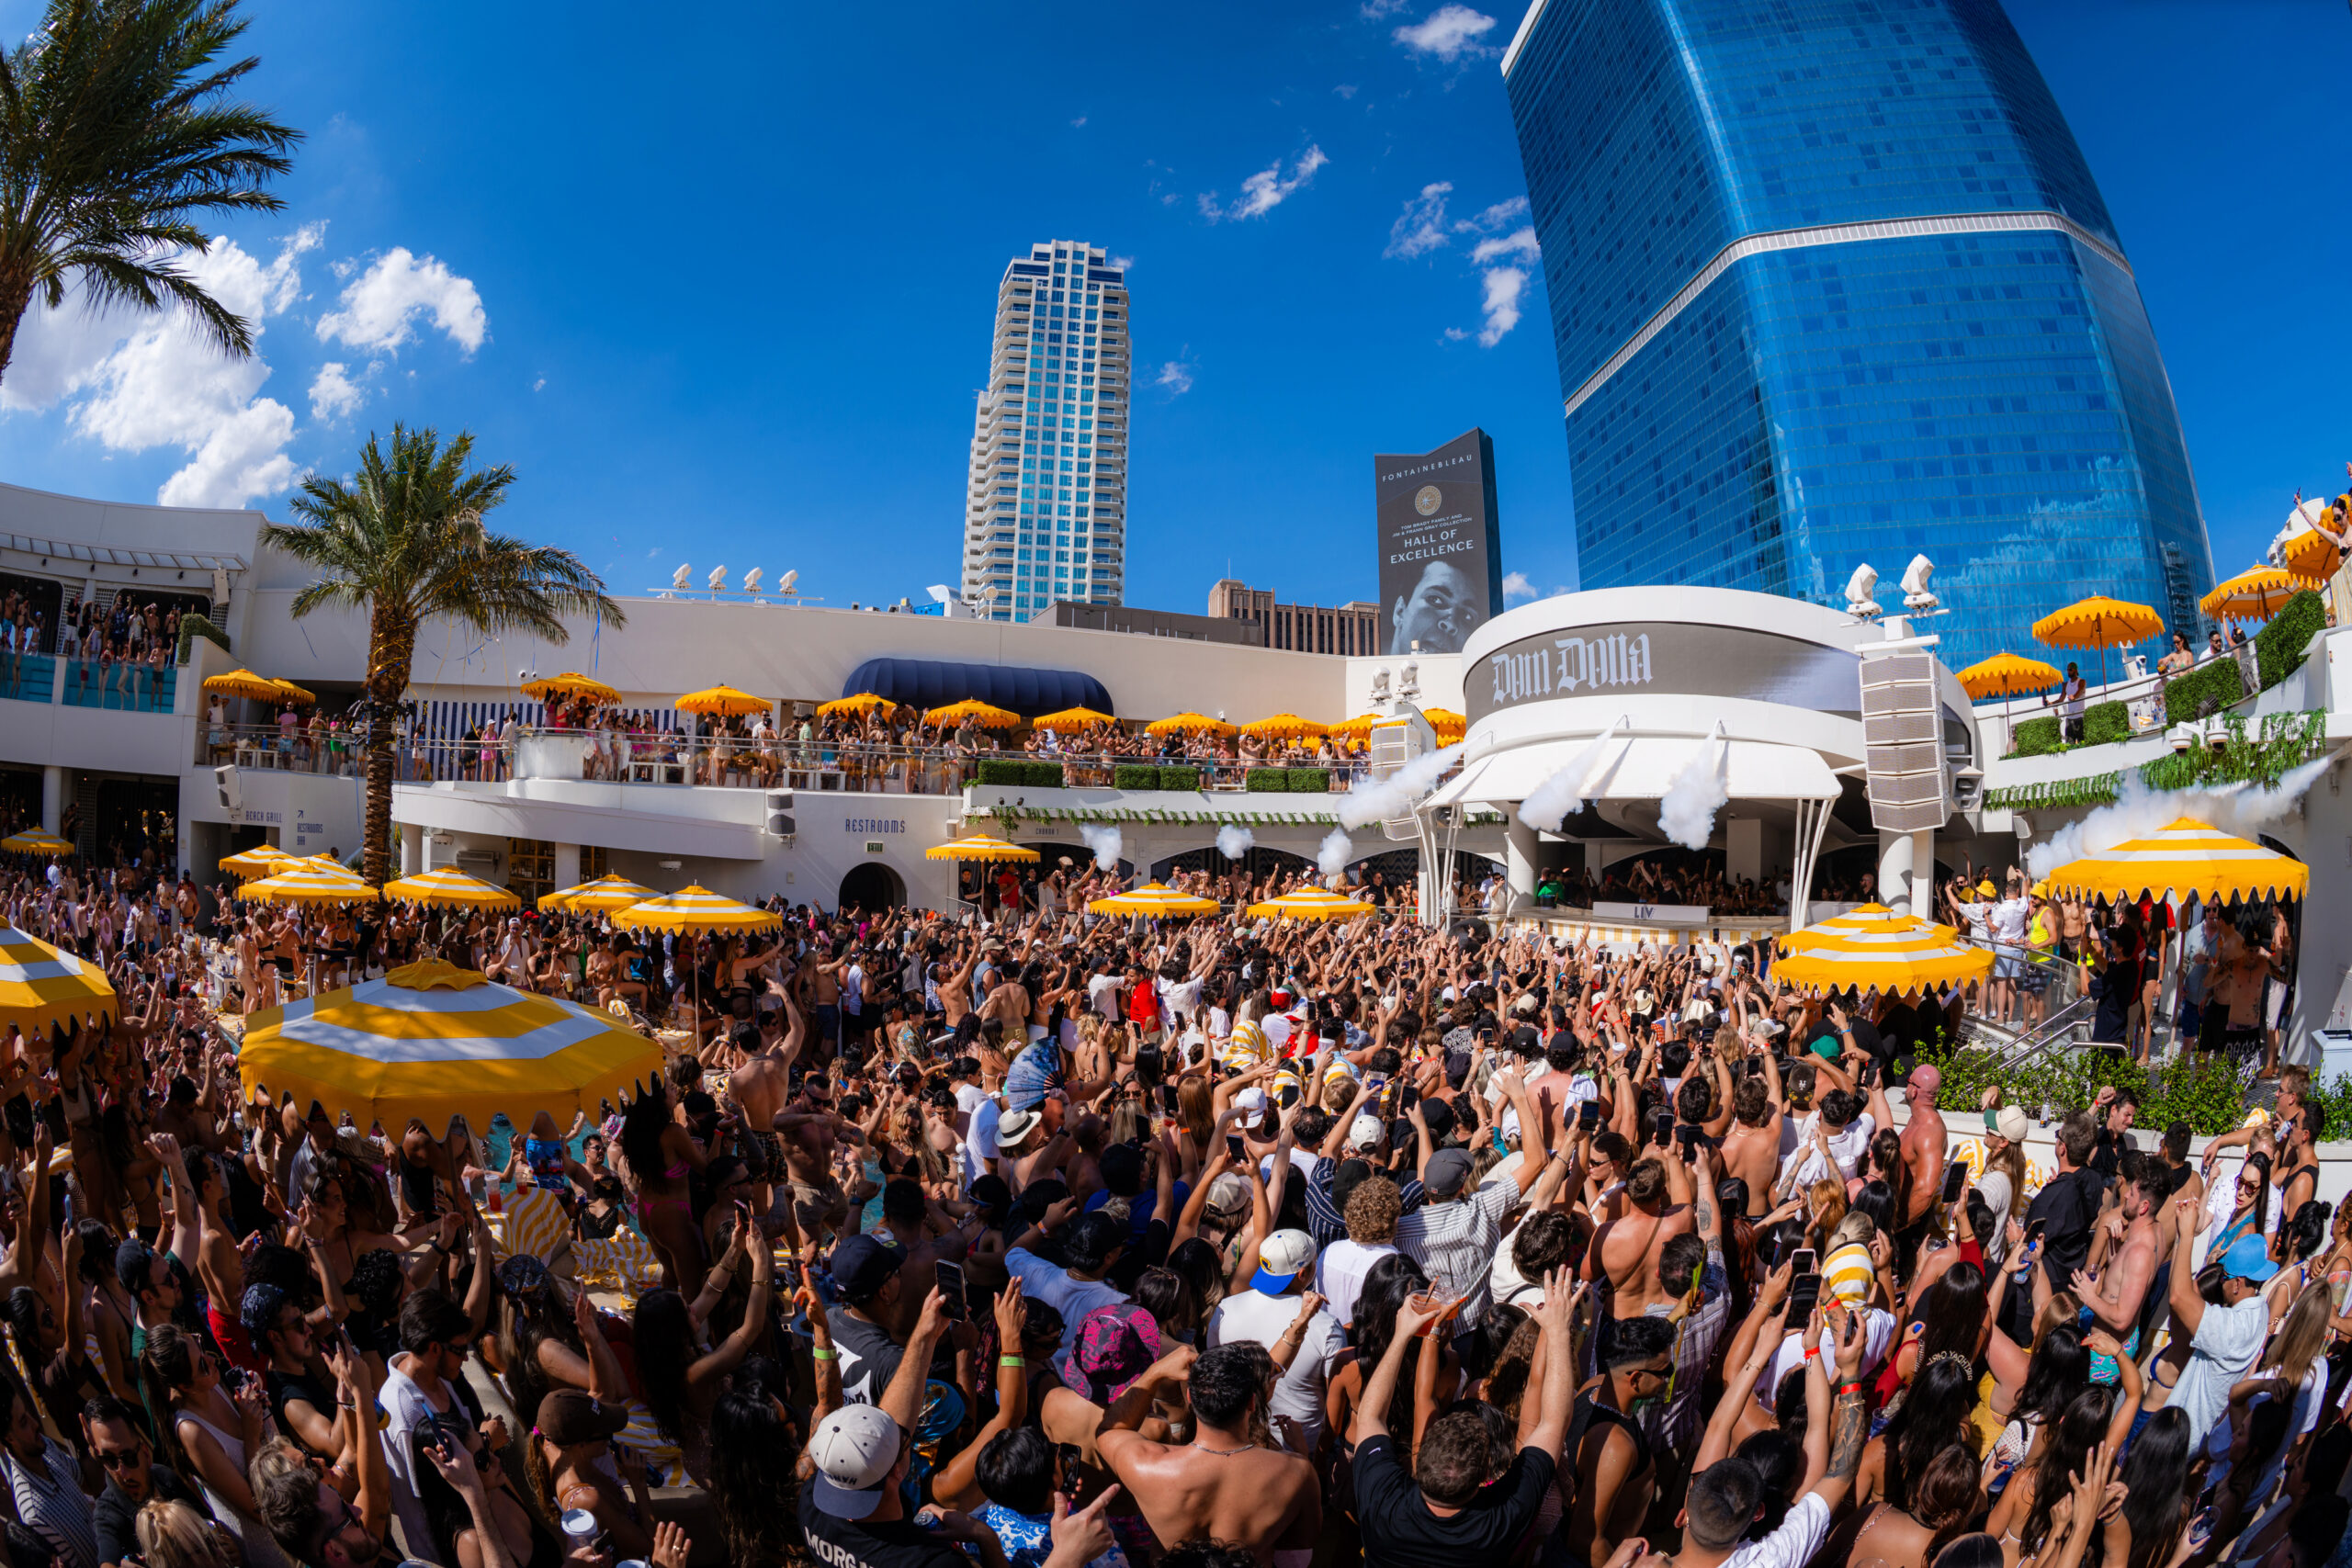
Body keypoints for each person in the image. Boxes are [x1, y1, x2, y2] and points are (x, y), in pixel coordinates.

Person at [1349, 1274, 1579, 1566]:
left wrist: (1403, 1335)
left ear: (1422, 1455)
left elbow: (1370, 1415)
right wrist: (1558, 1333)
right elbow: (1553, 1422)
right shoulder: (1504, 1517)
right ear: (1483, 1474)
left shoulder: (1382, 1501)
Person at [1094, 1342, 1322, 1563]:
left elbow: (1110, 1429)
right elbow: (1300, 1544)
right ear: (1252, 1403)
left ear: (1190, 1399)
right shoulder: (1297, 1471)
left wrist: (1155, 1373)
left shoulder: (1147, 1465)